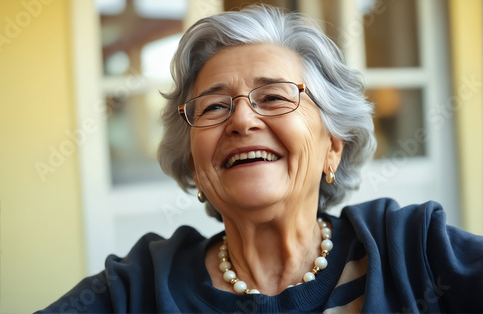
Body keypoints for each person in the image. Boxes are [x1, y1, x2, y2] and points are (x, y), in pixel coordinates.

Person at [37, 4, 483, 313]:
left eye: (273, 97)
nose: (242, 120)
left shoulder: (414, 250)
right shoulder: (139, 288)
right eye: (213, 107)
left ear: (333, 145)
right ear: (194, 163)